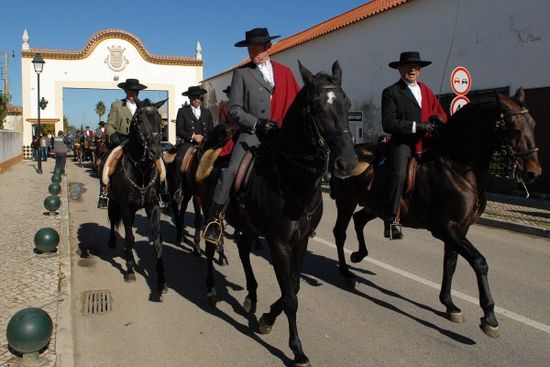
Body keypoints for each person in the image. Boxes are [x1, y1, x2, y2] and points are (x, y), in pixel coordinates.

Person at [203, 27, 300, 244]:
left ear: (268, 47)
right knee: (230, 171)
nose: (253, 53)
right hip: (253, 134)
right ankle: (214, 220)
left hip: (281, 134)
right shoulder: (242, 73)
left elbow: (295, 103)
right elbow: (235, 109)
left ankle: (303, 215)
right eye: (250, 49)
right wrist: (257, 124)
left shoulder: (285, 72)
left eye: (257, 48)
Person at [381, 51, 447, 240]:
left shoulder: (426, 90)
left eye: (416, 67)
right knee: (399, 174)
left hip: (426, 141)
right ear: (399, 69)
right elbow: (388, 123)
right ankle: (391, 219)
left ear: (419, 70)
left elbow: (439, 112)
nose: (412, 69)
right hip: (403, 143)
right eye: (408, 66)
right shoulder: (391, 92)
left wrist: (438, 119)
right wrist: (417, 126)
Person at [172, 85, 214, 200]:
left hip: (205, 144)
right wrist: (193, 136)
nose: (196, 99)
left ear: (200, 98)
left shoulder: (207, 112)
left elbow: (211, 129)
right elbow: (179, 130)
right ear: (189, 98)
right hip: (188, 143)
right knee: (179, 159)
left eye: (198, 97)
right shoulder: (182, 111)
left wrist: (206, 139)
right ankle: (179, 188)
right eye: (193, 97)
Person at [106, 78, 147, 147]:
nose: (133, 93)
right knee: (109, 157)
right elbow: (109, 125)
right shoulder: (117, 105)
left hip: (141, 143)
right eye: (130, 90)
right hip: (121, 142)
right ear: (125, 90)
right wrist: (112, 134)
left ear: (139, 91)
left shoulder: (145, 107)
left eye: (136, 90)